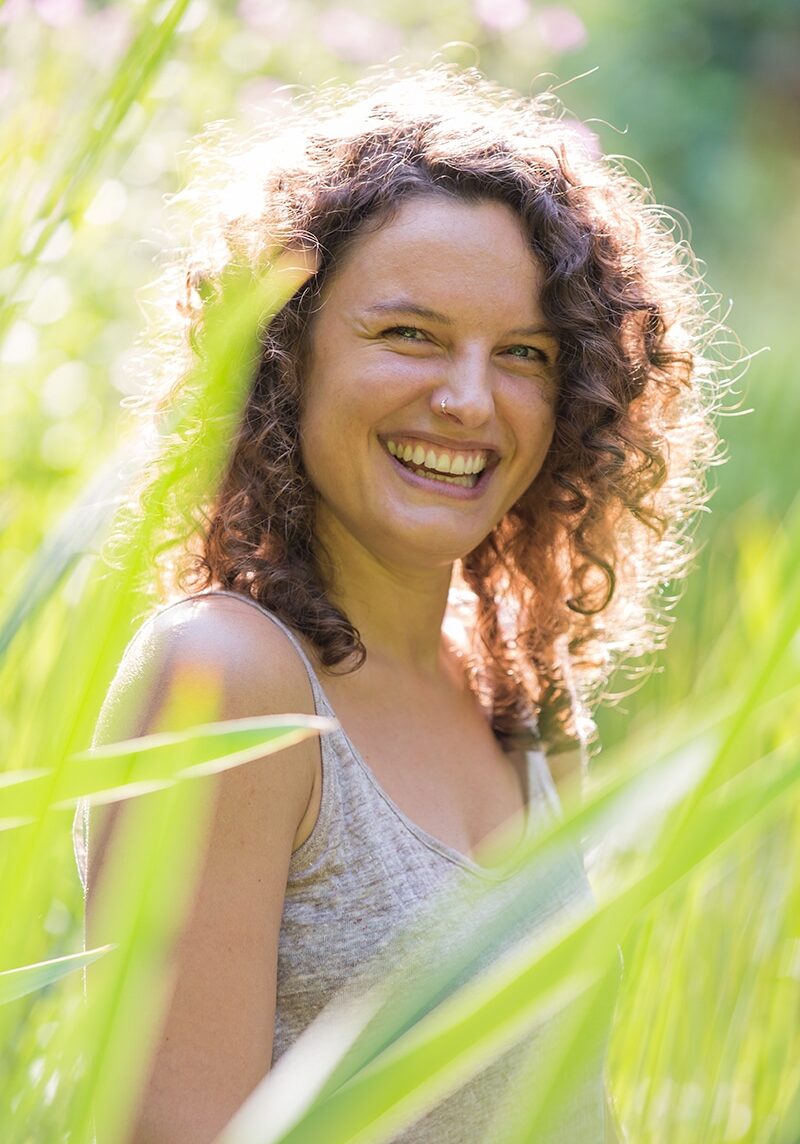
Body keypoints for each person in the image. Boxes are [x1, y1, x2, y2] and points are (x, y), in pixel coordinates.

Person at [75, 66, 721, 1143]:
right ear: (287, 356)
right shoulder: (227, 679)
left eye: (522, 354)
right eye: (409, 335)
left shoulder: (522, 698)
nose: (468, 399)